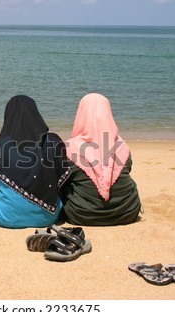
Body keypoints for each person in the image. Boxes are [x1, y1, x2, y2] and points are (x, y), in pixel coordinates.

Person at [0, 95, 72, 229]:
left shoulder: (1, 146)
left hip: (5, 217)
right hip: (47, 217)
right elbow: (61, 183)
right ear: (36, 114)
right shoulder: (53, 142)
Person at [61, 93, 142, 226]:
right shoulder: (122, 146)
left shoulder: (70, 148)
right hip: (127, 212)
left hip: (83, 215)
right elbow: (128, 170)